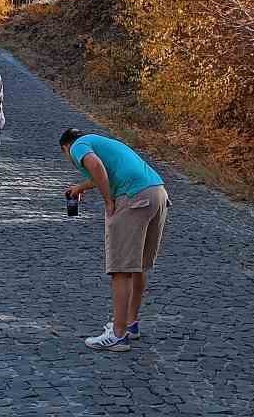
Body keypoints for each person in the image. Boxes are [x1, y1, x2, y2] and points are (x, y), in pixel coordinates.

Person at [60, 128, 169, 352]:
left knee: (120, 269)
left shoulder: (77, 146)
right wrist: (80, 187)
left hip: (133, 198)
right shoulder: (101, 141)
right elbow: (106, 171)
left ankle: (118, 335)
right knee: (137, 266)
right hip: (157, 193)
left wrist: (108, 202)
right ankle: (131, 324)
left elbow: (97, 167)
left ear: (65, 147)